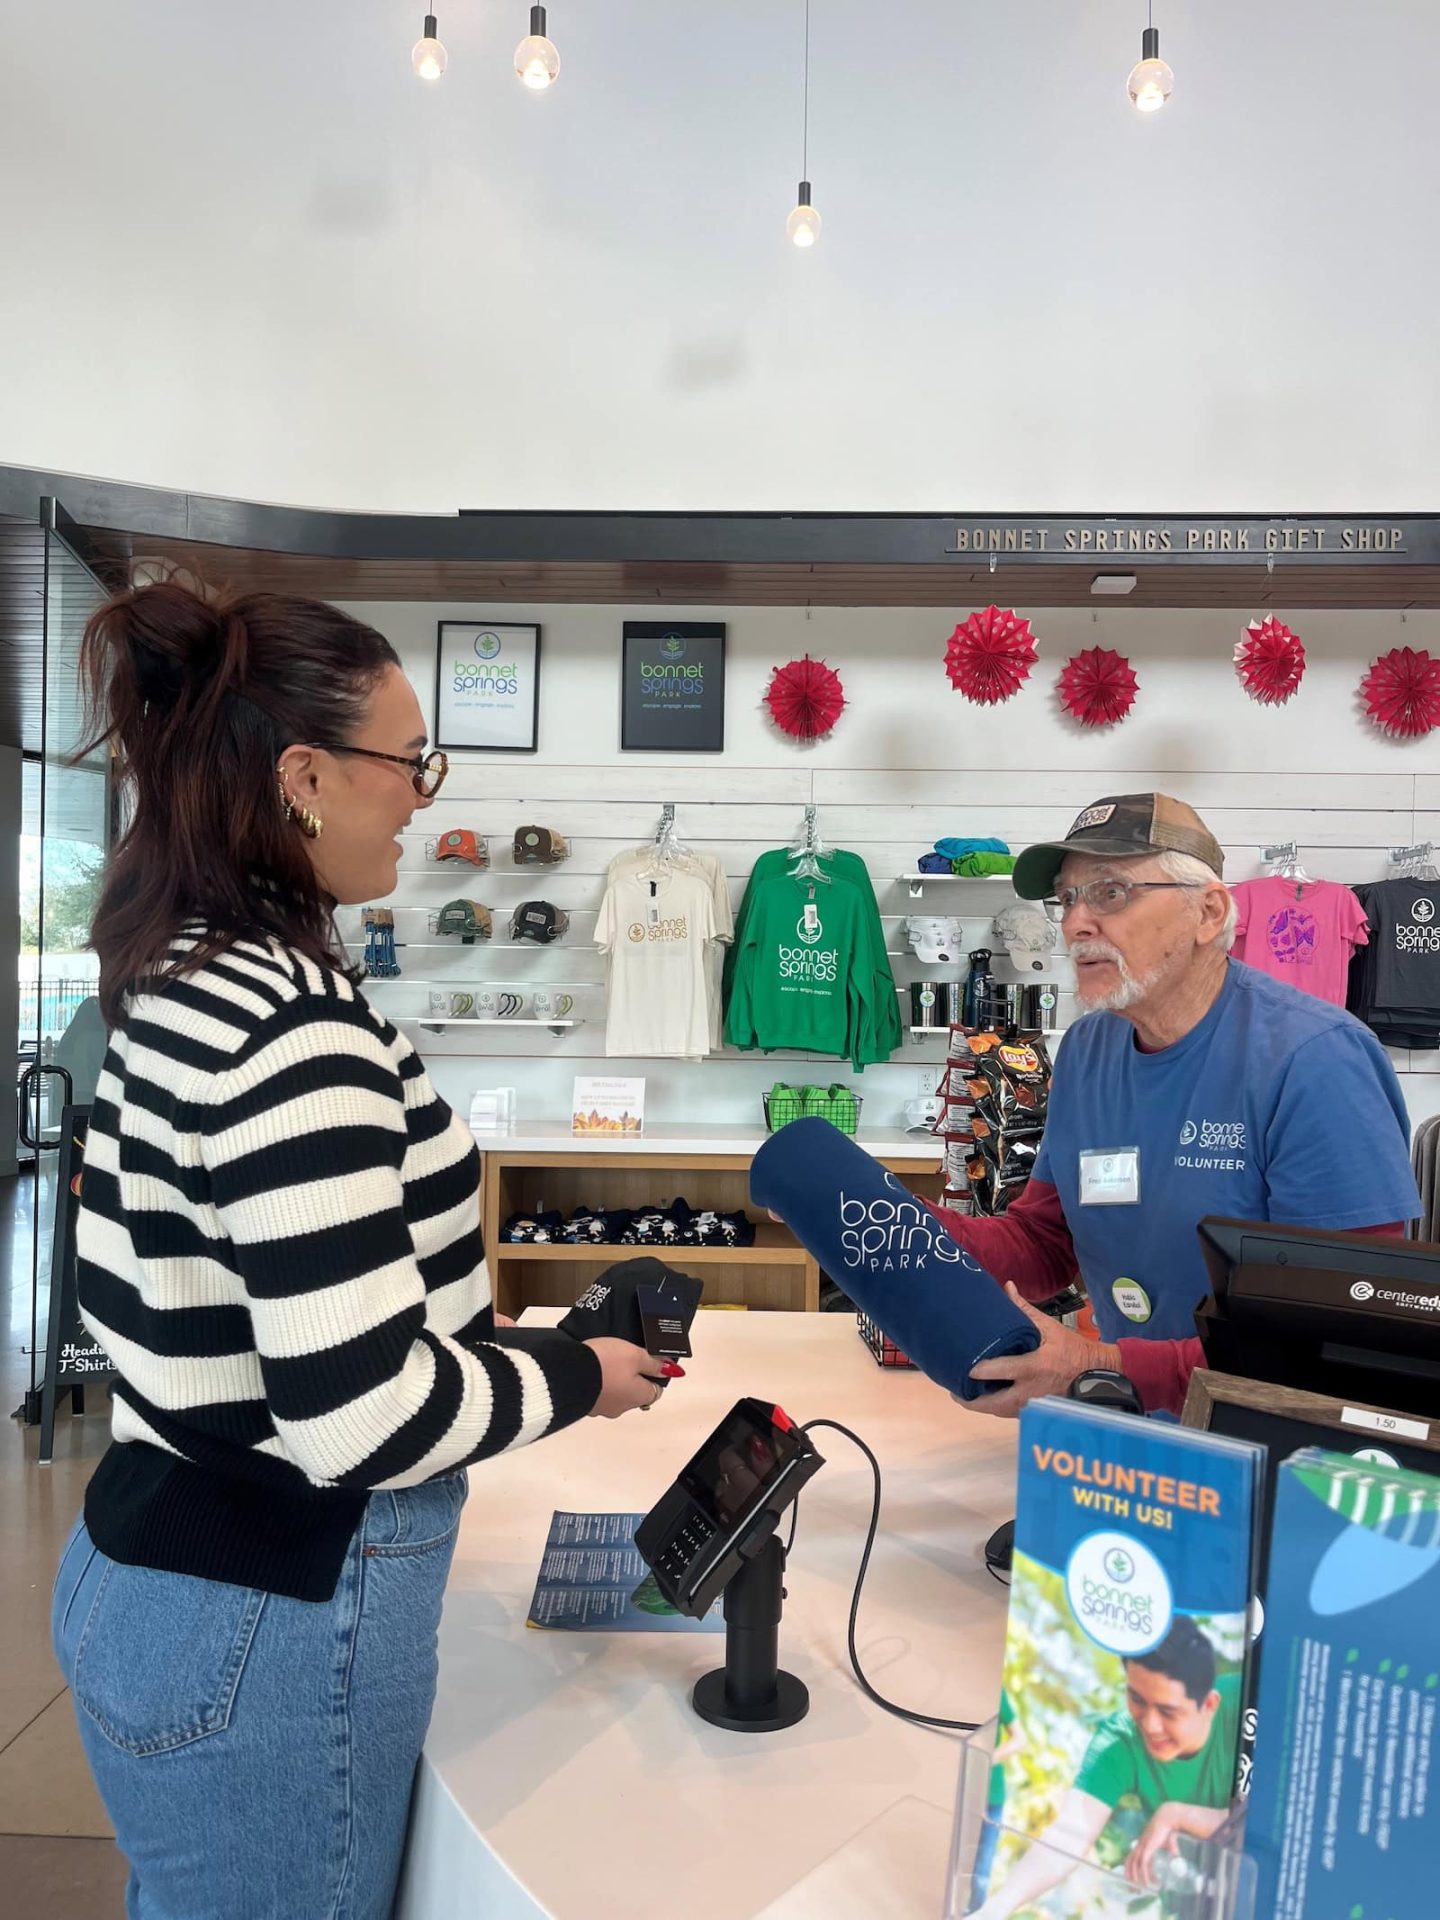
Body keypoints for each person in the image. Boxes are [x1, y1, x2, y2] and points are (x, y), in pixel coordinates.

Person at [50, 579, 670, 1920]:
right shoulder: (294, 1030)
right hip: (267, 1608)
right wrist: (577, 1377)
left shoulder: (186, 970)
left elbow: (269, 1299)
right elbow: (360, 1416)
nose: (424, 795)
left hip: (158, 1558)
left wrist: (493, 1348)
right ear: (306, 777)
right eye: (410, 761)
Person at [941, 794, 1420, 1415]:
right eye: (1067, 898)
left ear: (1209, 911)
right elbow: (1046, 1241)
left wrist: (1102, 1368)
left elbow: (1346, 1332)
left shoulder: (1316, 1060)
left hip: (1271, 1451)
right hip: (1130, 1430)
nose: (1075, 923)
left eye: (1110, 892)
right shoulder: (1089, 1048)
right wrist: (905, 1229)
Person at [972, 1618, 1239, 1917]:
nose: (1150, 1725)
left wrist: (1179, 1815)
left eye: (1168, 1711)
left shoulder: (1247, 1701)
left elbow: (1276, 1823)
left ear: (1210, 1705)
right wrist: (997, 1907)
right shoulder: (1119, 1741)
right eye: (1136, 1699)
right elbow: (1069, 1833)